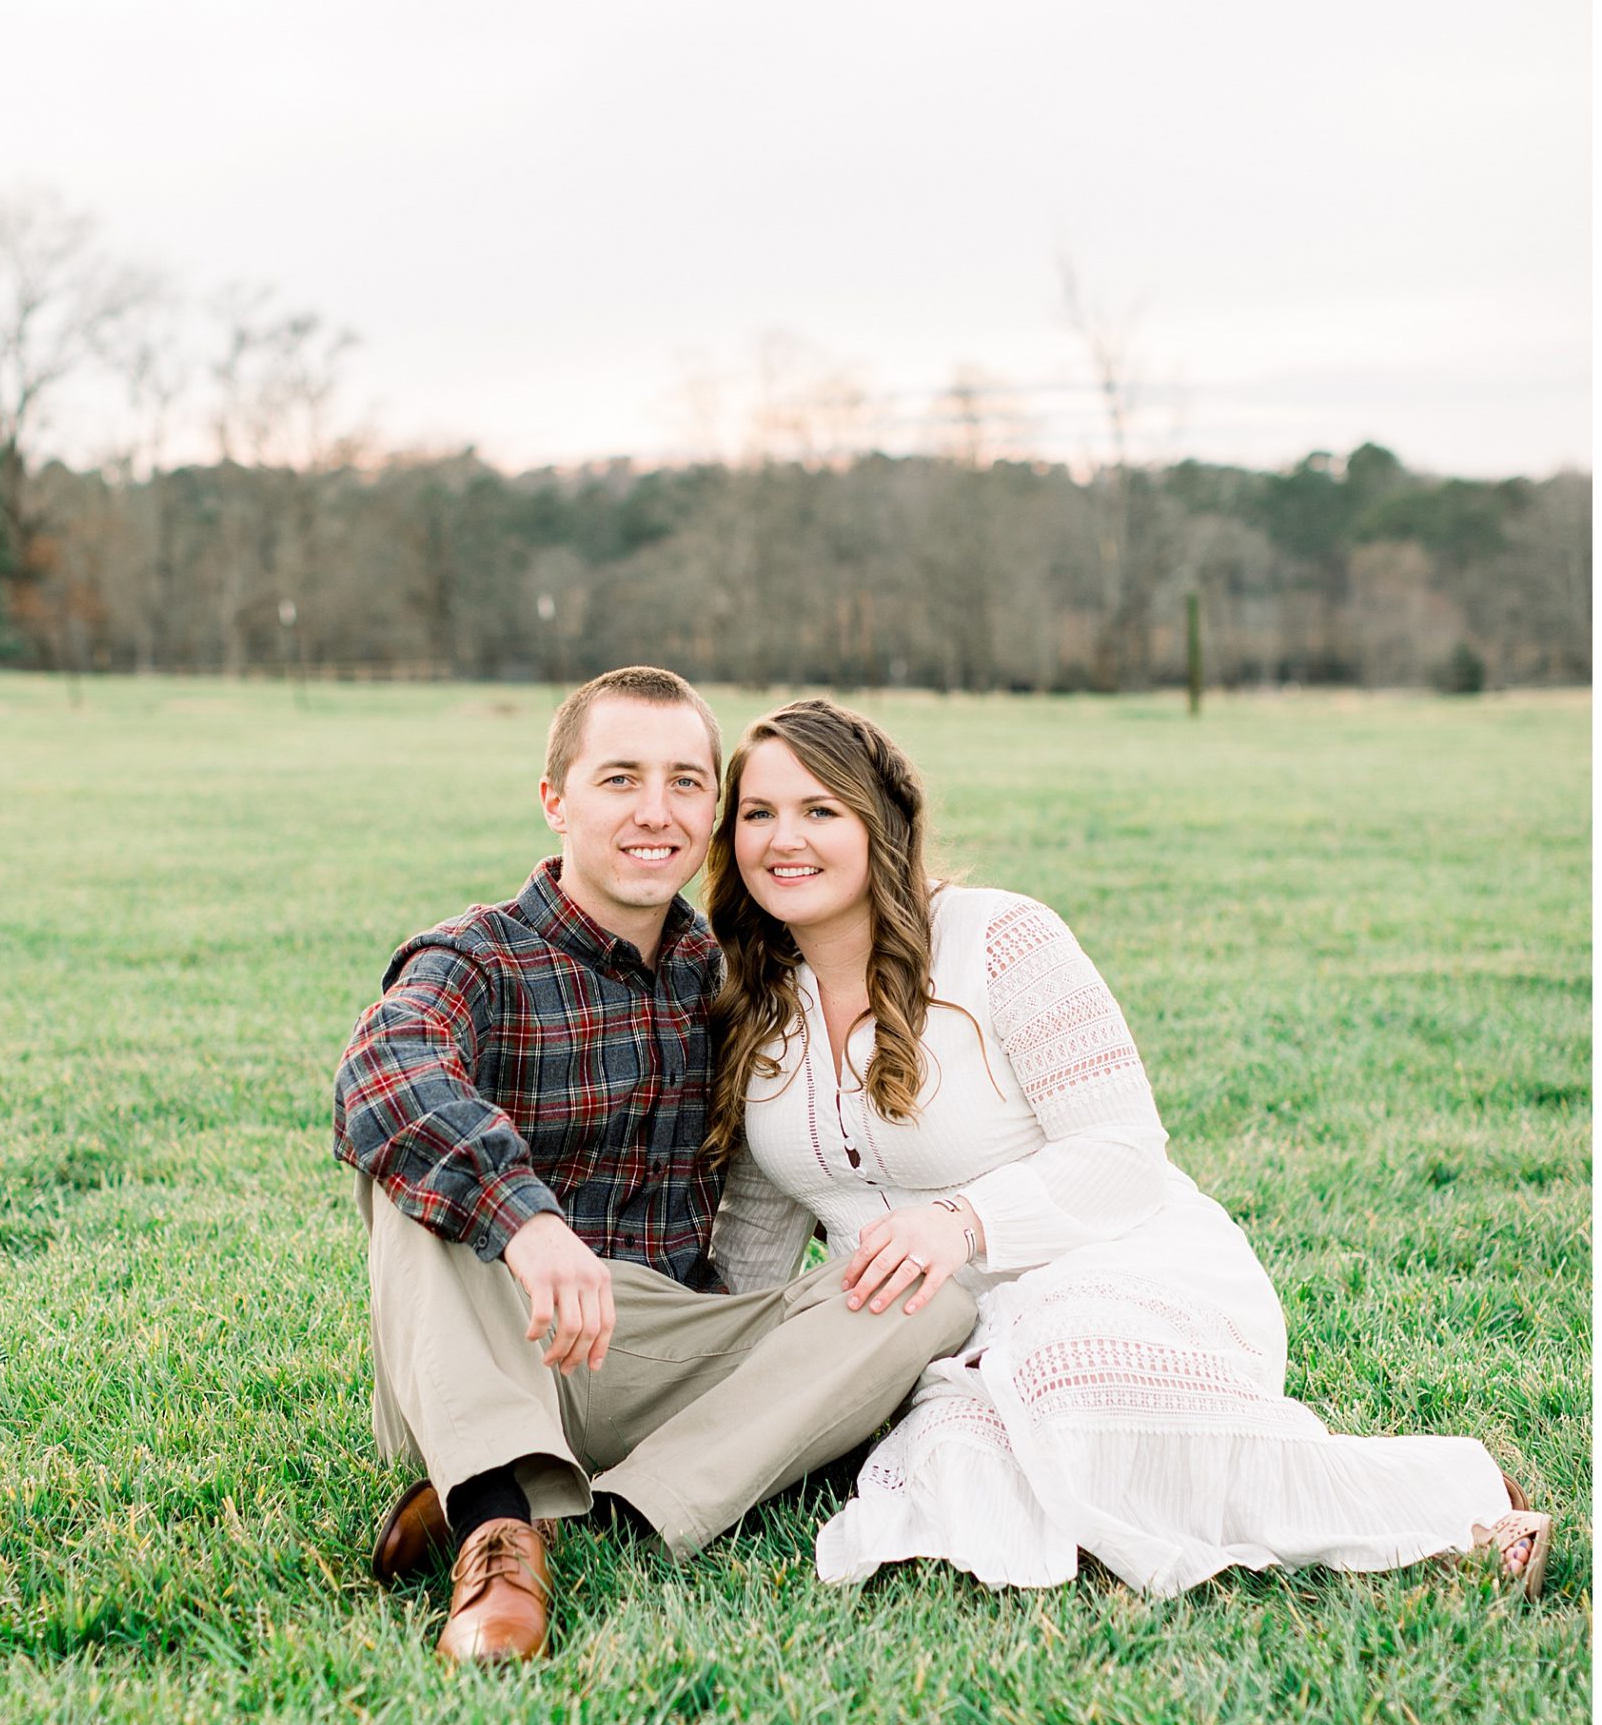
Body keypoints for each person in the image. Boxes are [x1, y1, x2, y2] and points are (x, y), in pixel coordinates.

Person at [701, 695, 1554, 1602]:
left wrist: (962, 1221)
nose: (783, 838)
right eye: (758, 813)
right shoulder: (753, 1003)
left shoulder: (999, 937)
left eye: (819, 810)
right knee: (961, 1474)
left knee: (1068, 1394)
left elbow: (1121, 1151)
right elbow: (755, 1243)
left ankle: (1456, 1504)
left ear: (883, 825)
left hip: (1114, 1268)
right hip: (935, 1344)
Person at [333, 665, 971, 1667]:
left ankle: (617, 1505)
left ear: (713, 810)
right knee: (411, 1168)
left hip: (654, 1349)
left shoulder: (728, 980)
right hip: (495, 1328)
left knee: (930, 1295)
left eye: (686, 782)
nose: (655, 811)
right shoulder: (475, 959)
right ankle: (500, 1526)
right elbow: (384, 1070)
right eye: (620, 778)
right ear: (556, 799)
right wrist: (528, 1223)